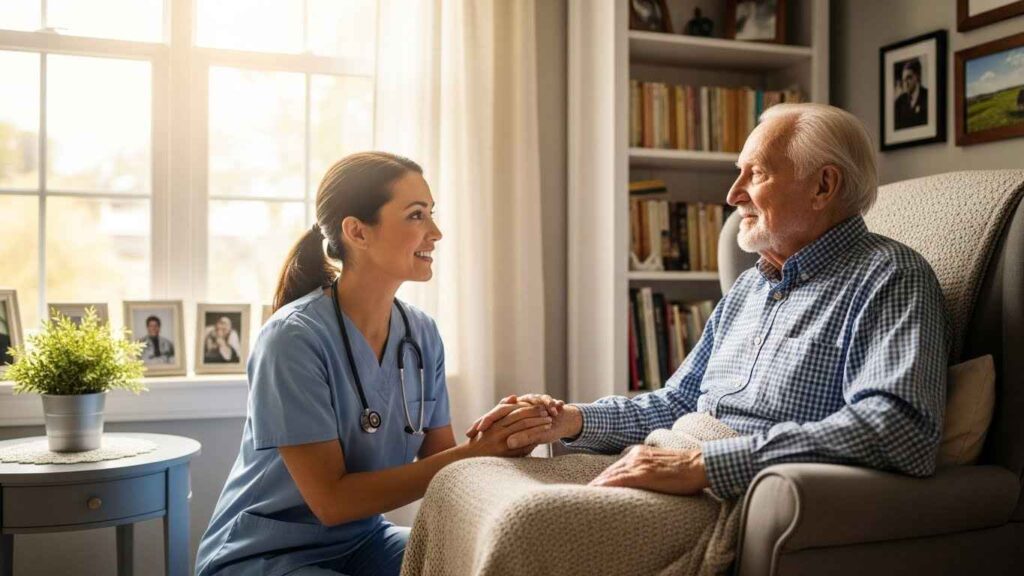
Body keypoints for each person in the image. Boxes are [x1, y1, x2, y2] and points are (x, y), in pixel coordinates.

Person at [470, 103, 948, 500]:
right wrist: (569, 421)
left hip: (733, 489)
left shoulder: (888, 277)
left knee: (528, 519)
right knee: (469, 483)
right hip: (678, 454)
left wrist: (705, 464)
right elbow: (678, 401)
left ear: (824, 186)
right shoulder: (750, 287)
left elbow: (899, 429)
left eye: (755, 174)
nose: (732, 193)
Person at [195, 152, 553, 576]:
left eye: (431, 214)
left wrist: (504, 439)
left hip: (363, 541)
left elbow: (444, 466)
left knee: (493, 562)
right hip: (265, 554)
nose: (435, 233)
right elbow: (332, 502)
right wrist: (475, 452)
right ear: (357, 232)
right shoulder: (292, 339)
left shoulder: (421, 333)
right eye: (416, 216)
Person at [894, 58, 928, 129]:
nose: (906, 83)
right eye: (904, 80)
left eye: (909, 78)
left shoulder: (927, 96)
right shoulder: (899, 102)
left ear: (917, 77)